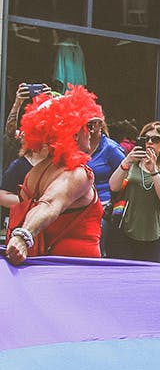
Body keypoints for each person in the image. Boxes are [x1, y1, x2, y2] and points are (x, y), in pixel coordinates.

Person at [5, 85, 106, 264]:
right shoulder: (77, 173)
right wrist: (22, 237)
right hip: (73, 271)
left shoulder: (36, 171)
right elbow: (49, 204)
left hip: (46, 266)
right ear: (74, 134)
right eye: (88, 126)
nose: (92, 132)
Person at [107, 122, 160, 261]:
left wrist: (153, 171)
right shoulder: (131, 165)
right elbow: (113, 186)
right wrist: (127, 161)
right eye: (146, 139)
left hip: (152, 235)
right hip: (124, 231)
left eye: (155, 139)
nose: (150, 143)